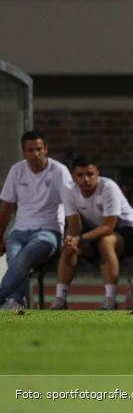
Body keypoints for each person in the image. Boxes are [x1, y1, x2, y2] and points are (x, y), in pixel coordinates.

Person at [49, 155, 133, 310]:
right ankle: (60, 299)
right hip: (97, 230)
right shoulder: (68, 190)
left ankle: (110, 300)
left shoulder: (109, 187)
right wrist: (71, 241)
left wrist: (79, 239)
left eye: (90, 174)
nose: (86, 179)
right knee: (69, 245)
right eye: (80, 175)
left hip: (130, 230)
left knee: (105, 241)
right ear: (73, 177)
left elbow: (108, 227)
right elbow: (74, 225)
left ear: (97, 174)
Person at [0, 131, 73, 310]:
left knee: (23, 258)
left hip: (48, 231)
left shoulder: (59, 171)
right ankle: (16, 301)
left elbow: (72, 209)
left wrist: (71, 235)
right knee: (14, 257)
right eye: (30, 150)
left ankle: (4, 297)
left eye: (39, 149)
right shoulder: (17, 170)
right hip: (19, 231)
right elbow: (6, 207)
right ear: (23, 151)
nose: (36, 154)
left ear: (46, 149)